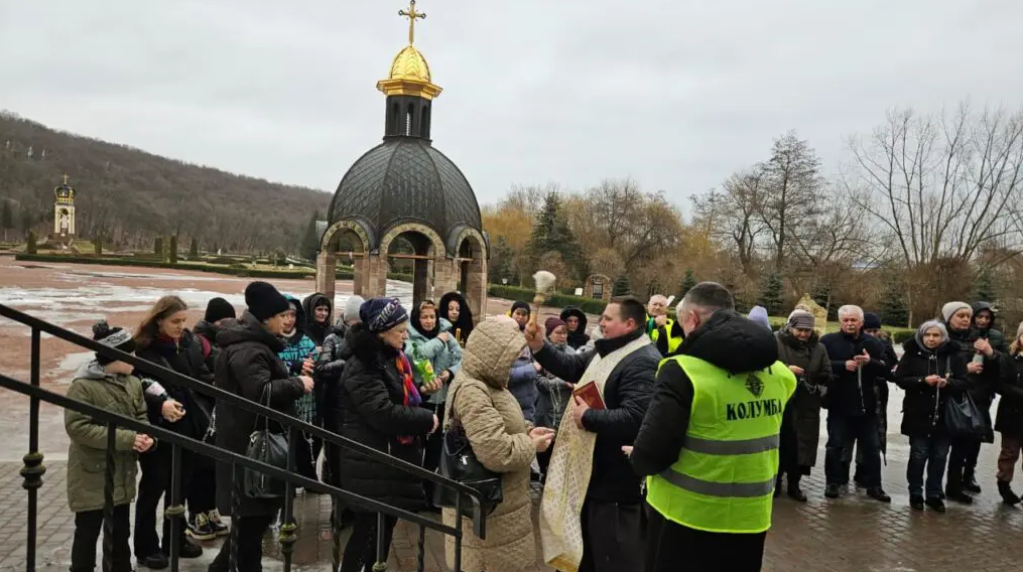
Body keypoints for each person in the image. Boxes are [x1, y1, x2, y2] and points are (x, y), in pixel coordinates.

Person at [629, 282, 795, 572]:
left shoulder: (682, 371)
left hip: (683, 516)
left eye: (681, 325)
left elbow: (654, 450)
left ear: (692, 319)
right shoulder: (780, 373)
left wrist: (637, 457)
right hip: (751, 518)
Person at [529, 295, 658, 572]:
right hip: (592, 476)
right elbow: (573, 367)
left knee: (613, 556)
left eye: (609, 318)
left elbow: (636, 418)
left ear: (630, 323)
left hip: (614, 484)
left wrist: (587, 416)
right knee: (589, 552)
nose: (602, 322)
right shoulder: (608, 349)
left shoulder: (643, 360)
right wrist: (539, 345)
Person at [207, 281, 315, 572]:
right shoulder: (250, 348)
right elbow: (261, 392)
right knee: (250, 531)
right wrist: (297, 384)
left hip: (250, 449)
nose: (288, 321)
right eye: (282, 316)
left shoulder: (253, 345)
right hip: (251, 452)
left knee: (249, 530)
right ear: (266, 317)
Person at [331, 297, 439, 572]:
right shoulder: (364, 365)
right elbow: (382, 413)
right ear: (381, 330)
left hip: (383, 462)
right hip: (372, 461)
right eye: (400, 330)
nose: (405, 335)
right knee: (368, 535)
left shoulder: (389, 358)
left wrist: (421, 395)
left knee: (378, 534)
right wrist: (425, 419)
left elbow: (395, 397)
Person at [442, 318, 555, 572]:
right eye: (511, 356)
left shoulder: (488, 382)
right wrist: (531, 443)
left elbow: (497, 424)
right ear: (493, 355)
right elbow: (496, 452)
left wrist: (527, 430)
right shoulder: (473, 390)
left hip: (501, 509)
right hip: (490, 515)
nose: (514, 362)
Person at [66, 321, 153, 572]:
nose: (135, 358)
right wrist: (128, 439)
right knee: (88, 532)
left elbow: (141, 415)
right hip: (91, 475)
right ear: (115, 355)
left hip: (122, 473)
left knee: (119, 533)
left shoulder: (132, 382)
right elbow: (78, 428)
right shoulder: (83, 386)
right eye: (130, 353)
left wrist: (146, 435)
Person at [133, 296, 206, 565]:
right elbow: (138, 384)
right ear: (159, 320)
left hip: (187, 425)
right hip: (158, 428)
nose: (180, 326)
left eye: (184, 321)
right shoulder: (143, 349)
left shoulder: (188, 344)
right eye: (175, 321)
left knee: (180, 487)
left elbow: (200, 376)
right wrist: (160, 404)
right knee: (154, 486)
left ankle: (174, 537)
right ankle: (145, 546)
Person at [894, 320, 968, 512]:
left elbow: (965, 382)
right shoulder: (912, 354)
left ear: (943, 337)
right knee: (919, 455)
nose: (931, 339)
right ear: (921, 336)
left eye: (936, 335)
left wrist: (948, 383)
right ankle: (916, 492)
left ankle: (934, 493)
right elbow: (900, 379)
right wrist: (922, 381)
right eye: (928, 335)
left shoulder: (954, 356)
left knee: (940, 456)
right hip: (918, 414)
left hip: (945, 416)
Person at [820, 305, 892, 502]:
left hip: (867, 407)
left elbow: (887, 372)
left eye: (854, 320)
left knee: (872, 447)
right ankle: (832, 483)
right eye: (846, 320)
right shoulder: (828, 341)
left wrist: (871, 363)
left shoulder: (874, 343)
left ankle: (874, 486)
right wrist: (842, 365)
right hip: (839, 404)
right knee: (835, 445)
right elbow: (819, 368)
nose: (850, 324)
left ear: (861, 322)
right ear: (840, 322)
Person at [405, 299, 463, 509]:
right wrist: (439, 340)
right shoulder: (410, 335)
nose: (429, 321)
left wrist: (450, 373)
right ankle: (412, 495)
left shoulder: (447, 333)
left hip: (442, 400)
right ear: (417, 319)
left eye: (432, 317)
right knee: (416, 449)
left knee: (435, 451)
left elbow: (462, 358)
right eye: (424, 317)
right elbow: (416, 355)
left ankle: (430, 495)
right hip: (421, 400)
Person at [187, 297, 236, 540]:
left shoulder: (219, 340)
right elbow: (199, 375)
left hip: (217, 410)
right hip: (203, 410)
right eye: (224, 320)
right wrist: (220, 386)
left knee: (213, 466)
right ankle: (197, 513)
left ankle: (210, 510)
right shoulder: (198, 342)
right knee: (200, 467)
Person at [941, 301, 998, 503]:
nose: (966, 319)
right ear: (949, 318)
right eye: (961, 315)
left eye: (968, 315)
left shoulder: (978, 338)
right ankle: (932, 488)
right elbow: (937, 367)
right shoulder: (939, 336)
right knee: (939, 448)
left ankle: (955, 486)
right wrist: (966, 369)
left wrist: (990, 354)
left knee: (962, 446)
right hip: (944, 398)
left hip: (971, 398)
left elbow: (998, 366)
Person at [774, 309, 830, 501]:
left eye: (807, 330)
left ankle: (794, 485)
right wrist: (785, 370)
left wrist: (814, 379)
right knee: (780, 443)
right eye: (800, 330)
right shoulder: (776, 342)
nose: (804, 334)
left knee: (802, 446)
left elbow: (827, 372)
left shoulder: (819, 348)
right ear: (791, 327)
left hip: (807, 403)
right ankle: (775, 483)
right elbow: (765, 367)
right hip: (782, 402)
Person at [279, 295, 319, 482]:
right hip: (282, 401)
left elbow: (316, 365)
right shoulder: (272, 340)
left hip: (306, 402)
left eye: (292, 315)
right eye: (284, 315)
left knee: (305, 444)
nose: (288, 320)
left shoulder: (306, 341)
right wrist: (294, 365)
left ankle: (307, 480)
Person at [534, 317, 576, 478]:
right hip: (546, 407)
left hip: (566, 408)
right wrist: (562, 382)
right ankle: (544, 473)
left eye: (565, 333)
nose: (563, 336)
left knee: (563, 447)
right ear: (549, 334)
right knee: (545, 443)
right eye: (558, 333)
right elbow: (539, 383)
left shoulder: (572, 354)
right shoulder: (541, 353)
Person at [995, 322, 1023, 506]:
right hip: (1012, 413)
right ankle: (1004, 485)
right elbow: (1001, 384)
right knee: (1009, 452)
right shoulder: (1009, 359)